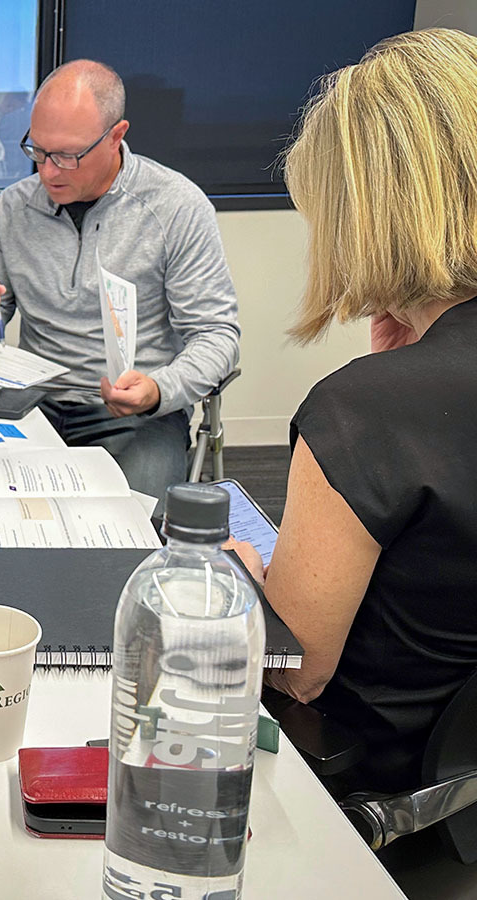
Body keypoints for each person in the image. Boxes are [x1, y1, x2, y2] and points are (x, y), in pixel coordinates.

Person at [230, 28, 477, 798]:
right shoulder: (387, 400)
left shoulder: (365, 413)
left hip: (376, 794)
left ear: (364, 216)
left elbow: (297, 674)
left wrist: (241, 586)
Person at [0, 60, 239, 501]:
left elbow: (217, 336)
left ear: (116, 136)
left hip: (136, 414)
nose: (47, 172)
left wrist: (158, 390)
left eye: (67, 156)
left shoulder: (176, 208)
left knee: (133, 526)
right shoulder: (14, 209)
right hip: (31, 403)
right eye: (38, 151)